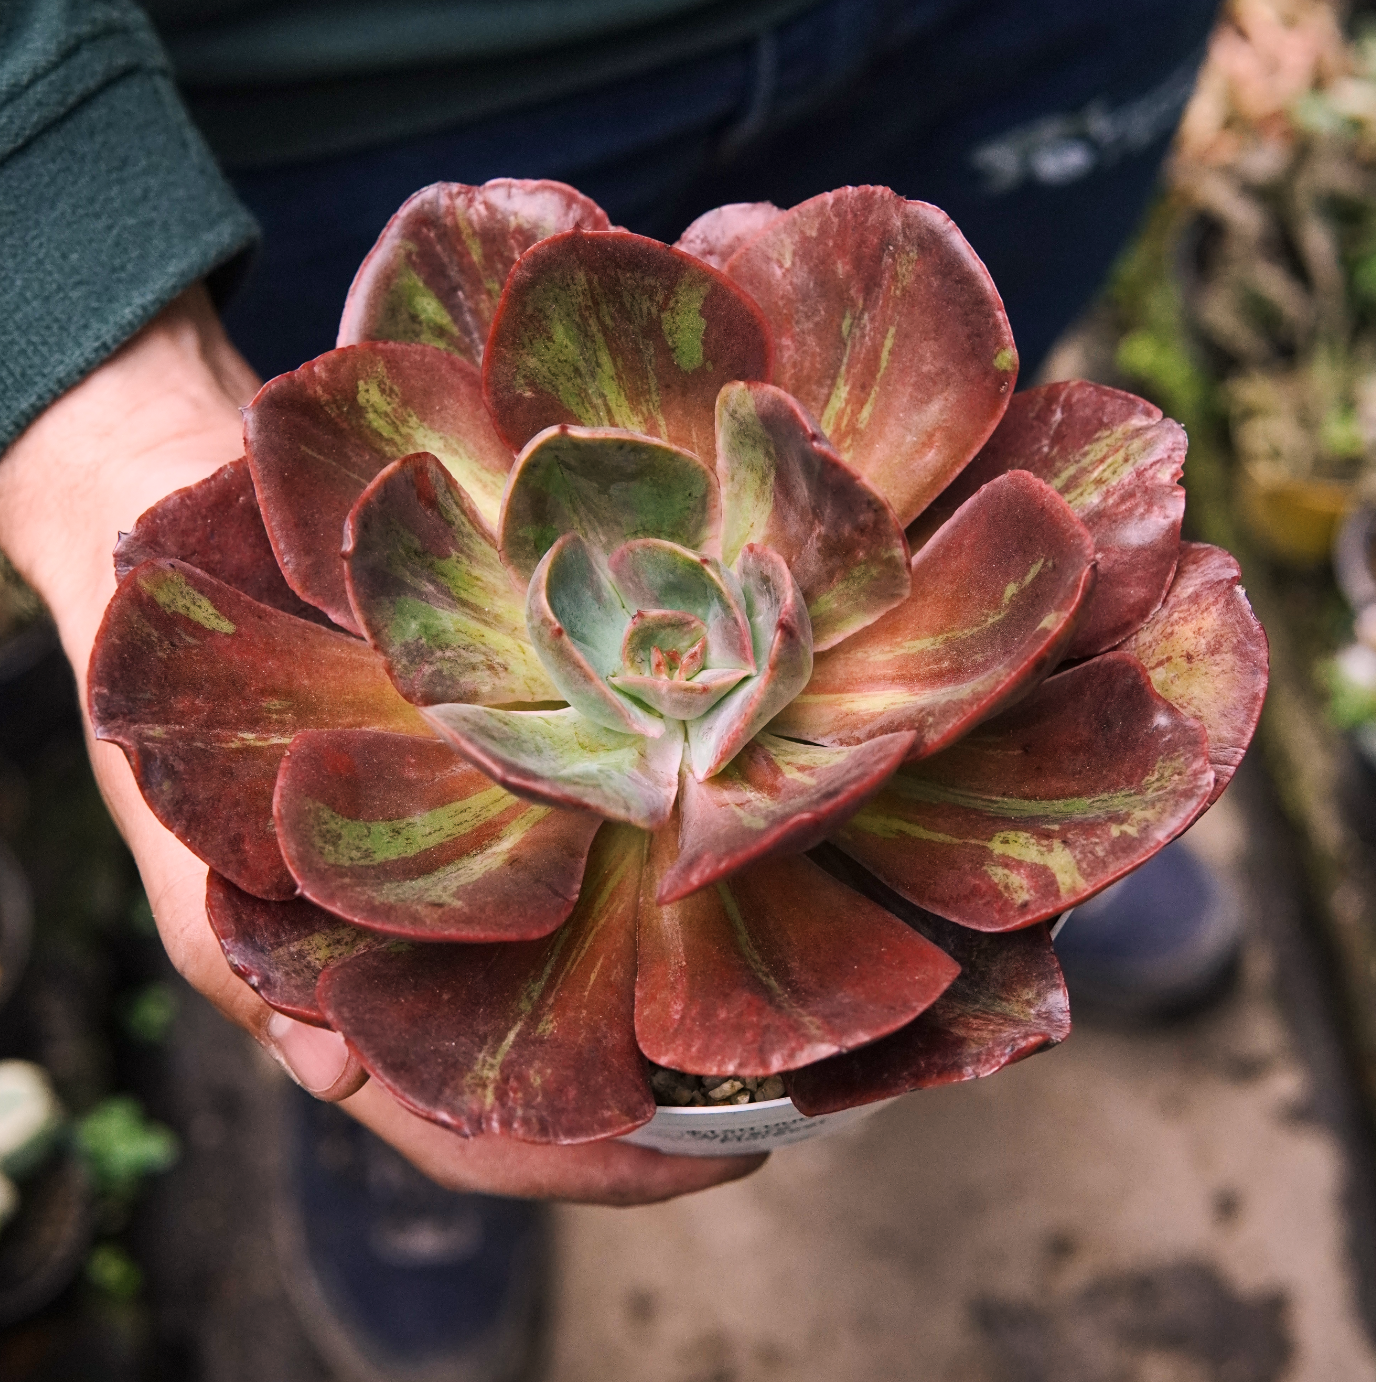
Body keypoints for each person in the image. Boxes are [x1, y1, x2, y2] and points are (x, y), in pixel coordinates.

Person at [0, 0, 1230, 1375]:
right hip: (344, 84)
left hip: (1024, 37)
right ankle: (409, 1072)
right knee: (379, 979)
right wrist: (78, 326)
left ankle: (1000, 849)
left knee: (980, 412)